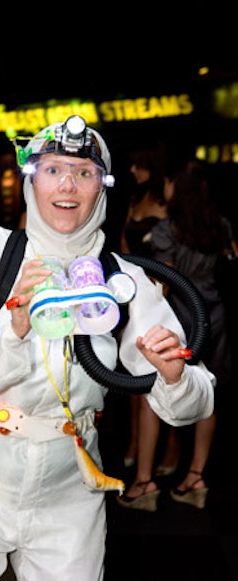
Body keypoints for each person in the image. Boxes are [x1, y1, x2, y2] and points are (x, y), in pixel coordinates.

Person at [0, 115, 215, 581]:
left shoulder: (126, 281)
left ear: (103, 186)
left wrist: (174, 376)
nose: (68, 185)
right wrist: (12, 330)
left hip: (69, 493)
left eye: (84, 172)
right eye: (53, 170)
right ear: (32, 180)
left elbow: (195, 403)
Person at [117, 160, 235, 511]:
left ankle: (144, 482)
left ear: (176, 189)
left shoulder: (168, 230)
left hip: (179, 319)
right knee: (207, 390)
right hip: (214, 315)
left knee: (153, 393)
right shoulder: (221, 224)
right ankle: (196, 475)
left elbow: (164, 283)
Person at [119, 147, 171, 472]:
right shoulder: (134, 201)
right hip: (132, 292)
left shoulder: (167, 207)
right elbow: (124, 246)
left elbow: (170, 256)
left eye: (140, 164)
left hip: (161, 294)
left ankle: (169, 453)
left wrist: (157, 292)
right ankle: (136, 444)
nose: (134, 170)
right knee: (131, 375)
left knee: (162, 378)